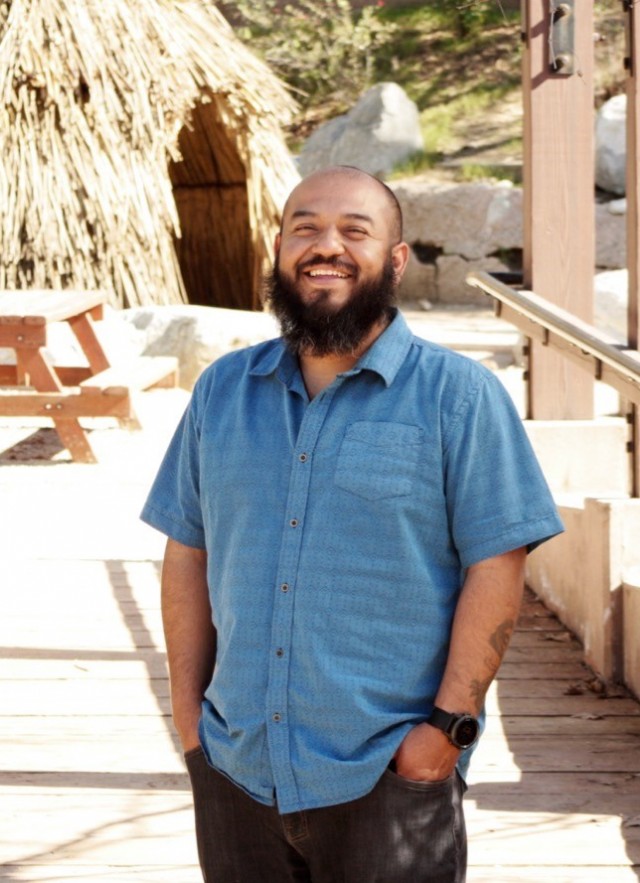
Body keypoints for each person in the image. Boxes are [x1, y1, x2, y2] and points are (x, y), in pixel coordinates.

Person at [141, 165, 564, 883]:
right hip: (236, 768)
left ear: (395, 260)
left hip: (388, 776)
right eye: (304, 227)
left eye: (354, 230)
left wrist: (445, 733)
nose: (325, 245)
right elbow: (187, 549)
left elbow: (498, 564)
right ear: (278, 249)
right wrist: (191, 723)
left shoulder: (459, 398)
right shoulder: (220, 391)